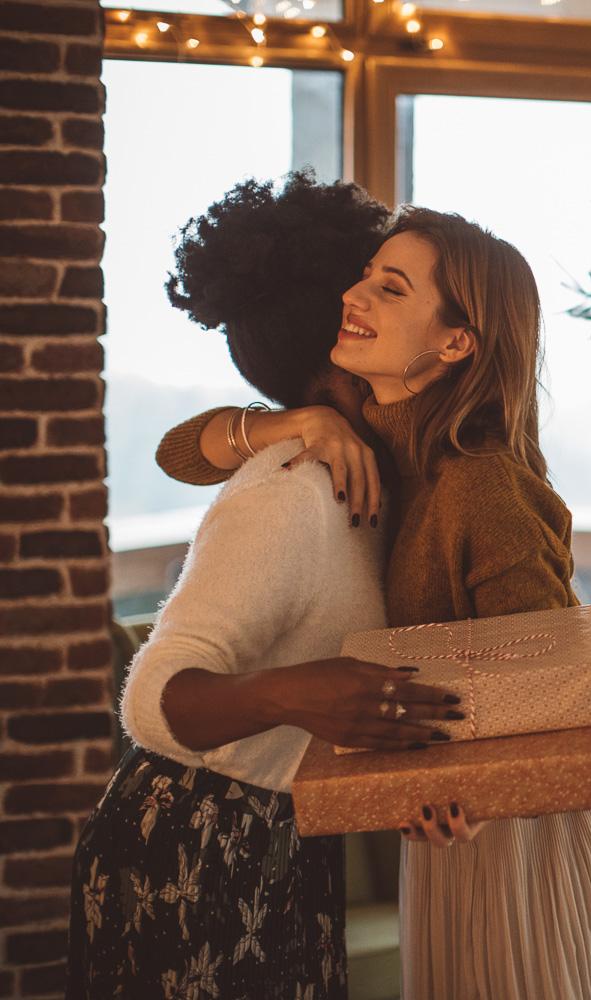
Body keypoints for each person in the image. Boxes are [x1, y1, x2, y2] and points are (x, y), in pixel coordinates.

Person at [158, 207, 591, 999]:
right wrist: (296, 422)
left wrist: (484, 793)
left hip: (525, 838)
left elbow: (556, 691)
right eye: (366, 274)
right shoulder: (375, 434)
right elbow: (178, 453)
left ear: (456, 341)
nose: (355, 293)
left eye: (390, 288)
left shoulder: (482, 484)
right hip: (454, 829)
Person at [67, 172, 459, 999]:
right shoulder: (290, 494)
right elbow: (150, 701)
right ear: (343, 334)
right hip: (192, 852)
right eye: (373, 292)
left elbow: (184, 448)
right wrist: (293, 693)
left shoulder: (386, 466)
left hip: (290, 839)